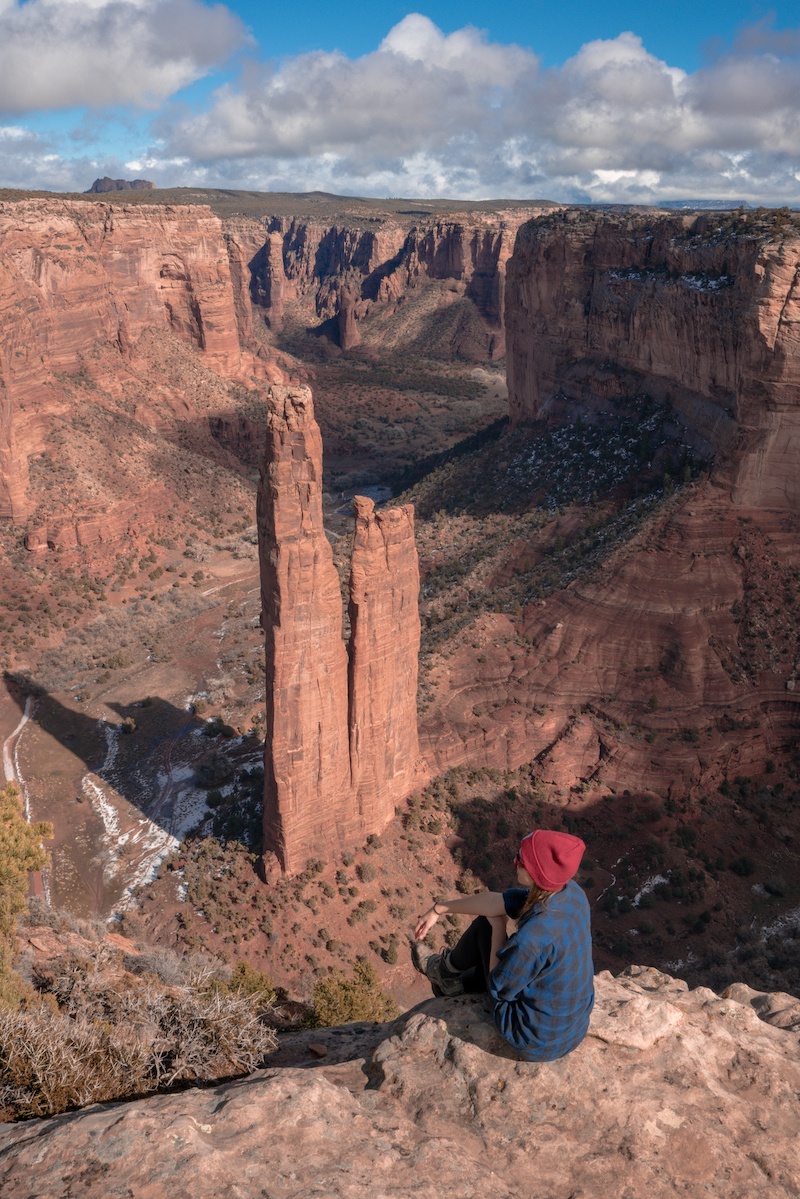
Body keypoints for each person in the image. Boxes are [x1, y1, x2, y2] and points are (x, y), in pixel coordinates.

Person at [412, 829, 594, 1062]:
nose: (514, 861)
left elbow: (501, 987)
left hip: (532, 1040)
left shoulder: (533, 940)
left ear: (536, 873)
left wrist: (498, 926)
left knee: (485, 927)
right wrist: (439, 909)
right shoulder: (571, 894)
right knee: (488, 928)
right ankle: (449, 976)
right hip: (573, 1029)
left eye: (521, 860)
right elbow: (497, 901)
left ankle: (444, 974)